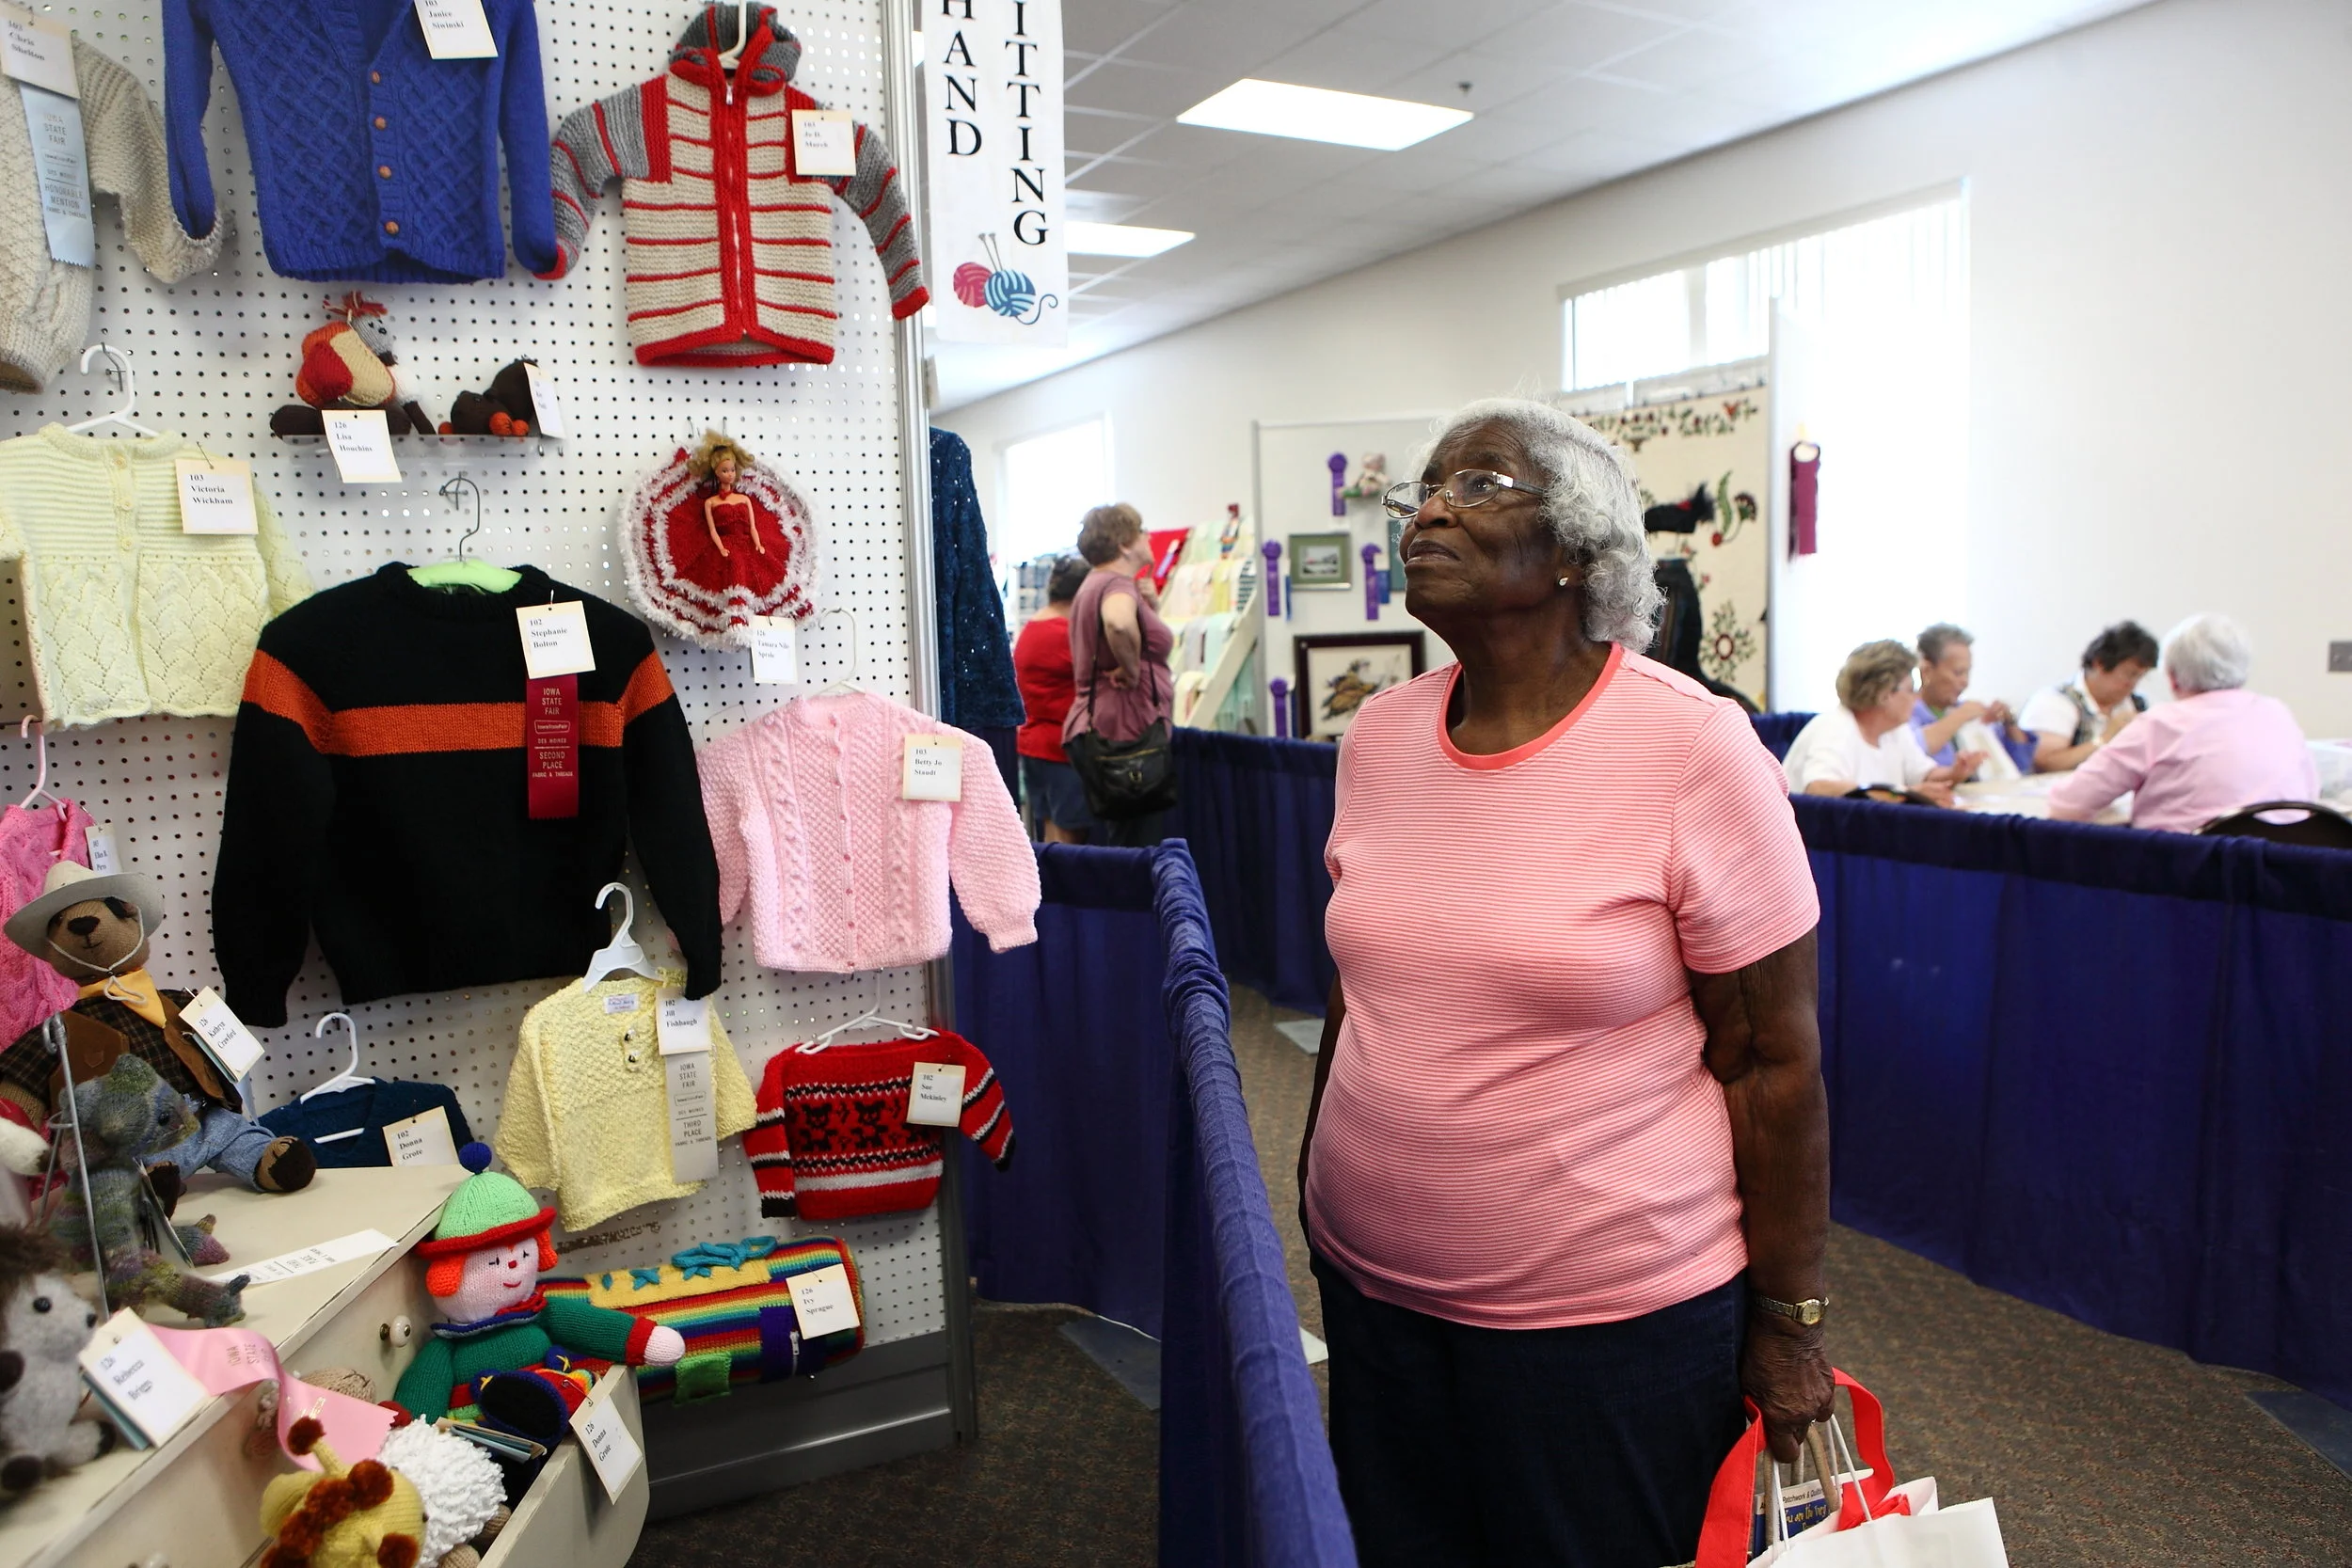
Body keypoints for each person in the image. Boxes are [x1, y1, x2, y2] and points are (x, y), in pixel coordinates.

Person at [1298, 398, 1832, 1567]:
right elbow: (1359, 991)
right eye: (1421, 490)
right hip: (1375, 1295)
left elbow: (1771, 1059)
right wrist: (1315, 1187)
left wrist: (1791, 1322)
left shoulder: (1691, 746)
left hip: (1608, 1327)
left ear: (1582, 550)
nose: (1429, 508)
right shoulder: (1376, 738)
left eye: (1480, 482)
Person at [2049, 613, 2318, 833]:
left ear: (2173, 677)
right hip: (2282, 880)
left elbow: (2067, 805)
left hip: (2185, 881)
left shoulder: (2158, 724)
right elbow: (2310, 793)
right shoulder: (2277, 713)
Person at [1063, 502, 1176, 847]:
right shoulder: (1116, 585)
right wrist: (1130, 670)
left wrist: (1149, 608)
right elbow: (1118, 622)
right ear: (1124, 544)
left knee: (1129, 840)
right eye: (1142, 530)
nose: (1149, 536)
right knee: (1138, 847)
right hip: (1125, 728)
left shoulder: (1098, 583)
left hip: (1109, 725)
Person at [1781, 641, 1980, 805]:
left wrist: (1955, 773)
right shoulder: (1835, 728)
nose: (1916, 698)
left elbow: (1924, 776)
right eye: (1910, 690)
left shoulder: (1895, 730)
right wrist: (1904, 794)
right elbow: (1819, 788)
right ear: (1885, 695)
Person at [1011, 555, 1094, 844]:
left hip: (1038, 744)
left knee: (1050, 832)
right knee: (1068, 836)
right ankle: (1065, 890)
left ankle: (1053, 889)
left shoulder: (1034, 626)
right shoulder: (1064, 632)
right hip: (1061, 748)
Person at [2019, 621, 2158, 771]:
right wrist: (2105, 739)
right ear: (2100, 664)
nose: (2133, 685)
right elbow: (2044, 763)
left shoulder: (2137, 704)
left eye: (2140, 677)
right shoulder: (2054, 702)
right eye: (2129, 675)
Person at [1911, 623, 2034, 779]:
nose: (1965, 682)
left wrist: (2009, 723)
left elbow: (2021, 766)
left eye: (1967, 673)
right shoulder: (1906, 712)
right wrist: (1960, 716)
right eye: (1958, 673)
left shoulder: (1969, 712)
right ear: (1927, 671)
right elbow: (1911, 749)